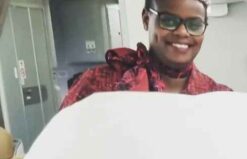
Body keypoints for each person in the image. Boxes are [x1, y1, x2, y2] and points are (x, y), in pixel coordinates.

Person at [61, 0, 229, 108]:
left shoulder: (219, 99)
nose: (182, 32)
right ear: (146, 19)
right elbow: (60, 144)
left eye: (195, 25)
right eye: (168, 21)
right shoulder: (96, 84)